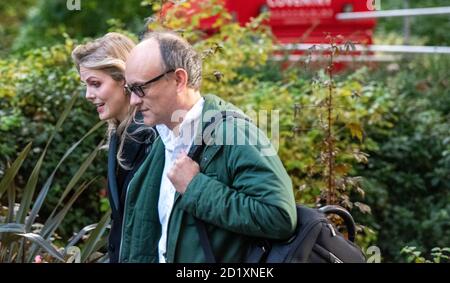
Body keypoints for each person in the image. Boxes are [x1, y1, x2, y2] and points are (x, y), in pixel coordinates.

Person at [119, 30, 297, 263]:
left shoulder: (234, 134)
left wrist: (195, 188)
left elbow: (279, 216)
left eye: (140, 89)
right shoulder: (162, 140)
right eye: (130, 90)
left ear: (178, 79)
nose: (133, 100)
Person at [71, 32, 156, 263]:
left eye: (96, 84)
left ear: (124, 80)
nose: (88, 95)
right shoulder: (119, 134)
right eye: (86, 85)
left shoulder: (153, 137)